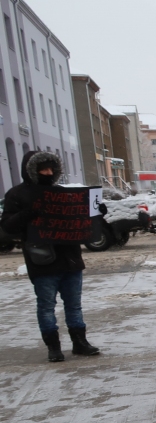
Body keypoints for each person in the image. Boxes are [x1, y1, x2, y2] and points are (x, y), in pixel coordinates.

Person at [1, 151, 102, 362]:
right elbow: (8, 226)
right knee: (46, 306)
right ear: (32, 170)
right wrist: (28, 213)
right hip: (42, 260)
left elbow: (81, 220)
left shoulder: (61, 193)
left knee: (74, 305)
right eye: (43, 169)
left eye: (51, 169)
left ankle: (80, 342)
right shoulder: (17, 194)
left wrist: (97, 212)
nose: (48, 173)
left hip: (70, 259)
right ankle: (53, 347)